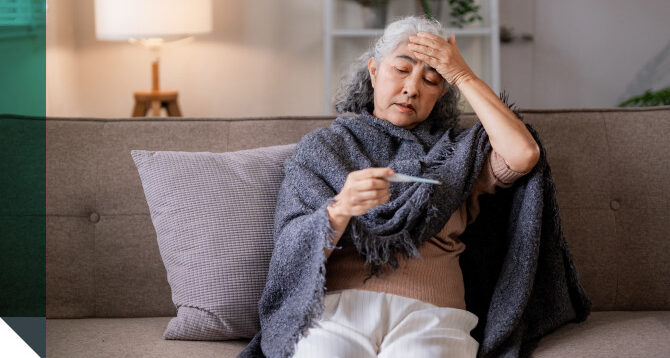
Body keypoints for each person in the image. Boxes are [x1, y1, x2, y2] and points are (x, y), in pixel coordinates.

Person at [289, 16, 540, 358]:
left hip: (432, 315)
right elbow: (292, 250)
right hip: (336, 313)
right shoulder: (324, 148)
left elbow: (523, 155)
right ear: (374, 71)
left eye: (432, 79)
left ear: (441, 93)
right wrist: (341, 208)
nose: (412, 88)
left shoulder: (458, 154)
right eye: (401, 70)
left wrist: (463, 75)